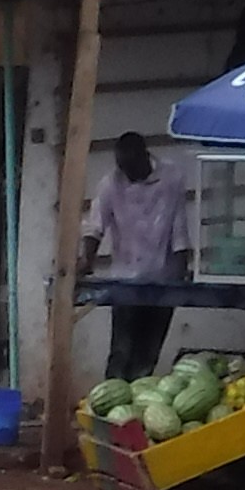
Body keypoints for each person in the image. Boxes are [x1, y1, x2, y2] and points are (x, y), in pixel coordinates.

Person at [80, 131, 192, 379]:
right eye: (122, 168)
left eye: (131, 167)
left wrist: (183, 268)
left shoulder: (171, 177)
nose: (127, 174)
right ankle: (112, 406)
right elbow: (95, 225)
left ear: (145, 157)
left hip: (164, 277)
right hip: (126, 280)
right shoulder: (110, 183)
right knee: (121, 350)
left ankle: (137, 402)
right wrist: (87, 259)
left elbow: (179, 226)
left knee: (148, 352)